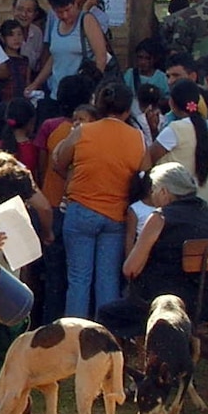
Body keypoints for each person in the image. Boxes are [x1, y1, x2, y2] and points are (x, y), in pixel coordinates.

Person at [54, 80, 148, 321]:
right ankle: (106, 337)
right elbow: (144, 175)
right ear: (127, 110)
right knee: (107, 281)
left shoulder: (83, 131)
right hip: (116, 215)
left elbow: (59, 162)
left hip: (81, 209)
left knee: (78, 279)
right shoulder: (137, 138)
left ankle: (73, 337)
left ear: (99, 105)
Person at [115, 162, 208, 322]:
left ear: (164, 192)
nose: (152, 195)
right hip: (204, 305)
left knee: (108, 313)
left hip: (163, 306)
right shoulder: (207, 212)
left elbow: (130, 269)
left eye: (153, 190)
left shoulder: (160, 217)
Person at [31, 0, 109, 95]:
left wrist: (91, 87)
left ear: (75, 4)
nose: (65, 15)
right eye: (59, 12)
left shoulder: (87, 20)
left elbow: (101, 57)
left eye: (68, 10)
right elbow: (55, 57)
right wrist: (36, 84)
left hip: (82, 93)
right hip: (57, 92)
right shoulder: (55, 23)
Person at [158, 79, 208, 213]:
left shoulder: (174, 130)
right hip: (205, 210)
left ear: (172, 103)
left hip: (176, 210)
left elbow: (149, 159)